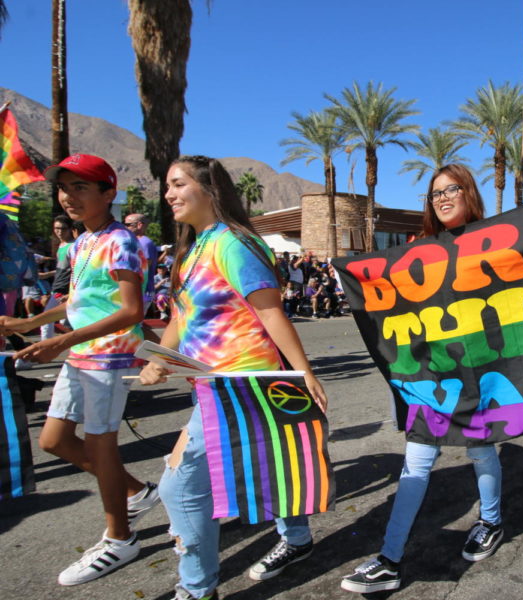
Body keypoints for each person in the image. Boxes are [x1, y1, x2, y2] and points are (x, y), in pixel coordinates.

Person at [137, 156, 328, 600]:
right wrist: (161, 360)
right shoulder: (193, 248)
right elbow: (181, 317)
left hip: (243, 386)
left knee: (179, 484)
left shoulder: (233, 243)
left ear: (210, 189)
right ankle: (297, 540)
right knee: (264, 467)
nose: (169, 194)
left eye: (179, 184)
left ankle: (197, 589)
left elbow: (269, 311)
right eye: (167, 185)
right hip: (209, 385)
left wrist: (304, 374)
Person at [341, 164, 504, 594]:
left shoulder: (497, 238)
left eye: (452, 189)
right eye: (435, 194)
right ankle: (389, 559)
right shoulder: (419, 247)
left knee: (481, 451)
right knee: (416, 461)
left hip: (481, 372)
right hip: (432, 375)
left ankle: (491, 521)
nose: (444, 198)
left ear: (469, 192)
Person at [0, 154, 158, 585]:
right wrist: (28, 325)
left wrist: (59, 340)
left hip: (108, 355)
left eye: (80, 187)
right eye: (64, 187)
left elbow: (131, 309)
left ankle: (120, 537)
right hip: (82, 352)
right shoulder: (83, 241)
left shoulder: (120, 241)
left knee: (101, 444)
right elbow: (76, 300)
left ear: (109, 194)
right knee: (54, 440)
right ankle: (137, 491)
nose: (68, 196)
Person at [39, 215, 77, 340]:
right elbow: (63, 269)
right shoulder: (61, 245)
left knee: (47, 319)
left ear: (71, 229)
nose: (59, 232)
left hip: (65, 290)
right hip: (58, 287)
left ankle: (46, 347)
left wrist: (71, 292)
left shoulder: (73, 247)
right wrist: (48, 274)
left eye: (63, 228)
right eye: (56, 228)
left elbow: (76, 270)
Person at [124, 213, 159, 312]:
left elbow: (144, 267)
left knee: (133, 323)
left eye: (128, 225)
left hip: (143, 291)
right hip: (138, 290)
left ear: (139, 225)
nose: (125, 227)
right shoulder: (134, 241)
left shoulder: (144, 243)